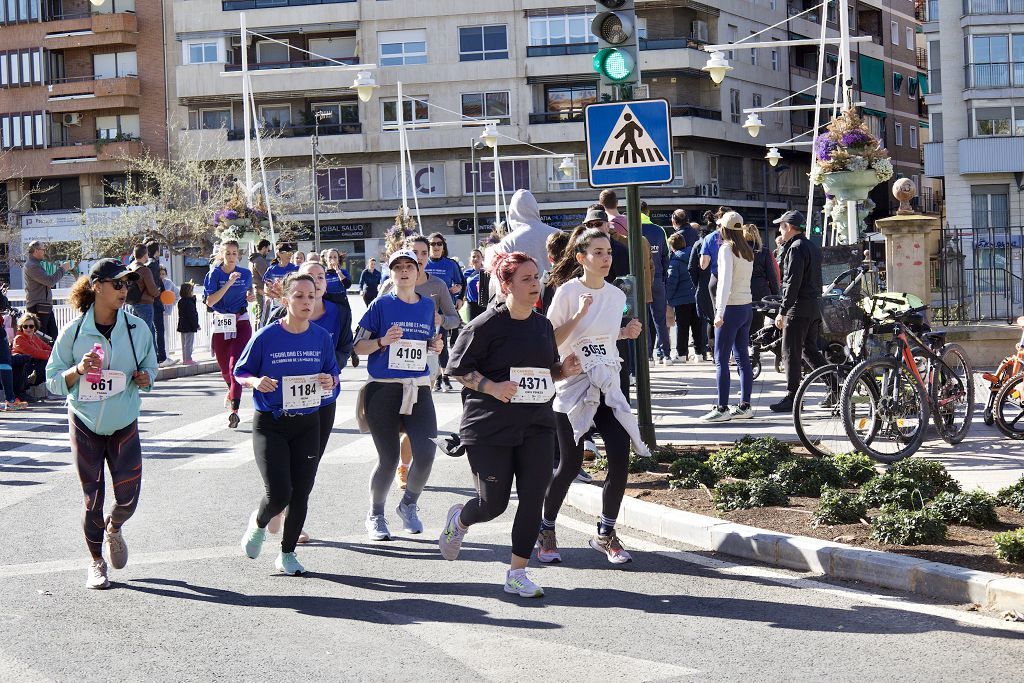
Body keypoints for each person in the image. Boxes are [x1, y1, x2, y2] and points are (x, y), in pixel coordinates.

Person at [439, 251, 582, 598]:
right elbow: (457, 371)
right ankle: (459, 520)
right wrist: (492, 387)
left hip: (536, 424)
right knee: (494, 504)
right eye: (527, 279)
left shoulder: (542, 326)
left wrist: (564, 371)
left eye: (537, 278)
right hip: (489, 428)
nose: (536, 285)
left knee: (534, 498)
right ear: (506, 285)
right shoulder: (484, 325)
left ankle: (517, 573)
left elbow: (545, 370)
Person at [45, 259, 158, 589]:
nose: (125, 290)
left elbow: (152, 368)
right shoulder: (74, 332)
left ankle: (115, 527)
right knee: (92, 498)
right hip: (85, 422)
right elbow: (53, 381)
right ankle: (96, 562)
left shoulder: (137, 329)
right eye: (118, 284)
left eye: (128, 284)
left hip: (124, 422)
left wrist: (145, 377)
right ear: (98, 286)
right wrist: (79, 370)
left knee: (128, 499)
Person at [539, 228, 648, 565]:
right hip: (572, 387)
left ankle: (605, 533)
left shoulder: (616, 295)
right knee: (569, 464)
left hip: (606, 383)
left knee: (619, 457)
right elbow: (550, 341)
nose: (605, 259)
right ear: (580, 257)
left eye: (609, 253)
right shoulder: (568, 292)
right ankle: (546, 529)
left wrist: (623, 332)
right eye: (598, 252)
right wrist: (578, 315)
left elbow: (599, 337)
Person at [236, 273, 340, 576]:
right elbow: (240, 372)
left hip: (308, 422)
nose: (306, 301)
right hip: (272, 423)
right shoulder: (267, 336)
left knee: (302, 492)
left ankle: (287, 553)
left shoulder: (321, 337)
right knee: (280, 492)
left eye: (311, 296)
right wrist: (257, 381)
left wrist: (328, 380)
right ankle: (258, 522)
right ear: (285, 300)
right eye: (298, 296)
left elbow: (333, 378)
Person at [353, 249, 444, 541]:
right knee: (389, 459)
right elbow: (358, 347)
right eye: (398, 267)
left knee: (428, 453)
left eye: (409, 266)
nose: (404, 271)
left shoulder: (427, 307)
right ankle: (375, 514)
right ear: (391, 273)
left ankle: (408, 505)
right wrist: (382, 341)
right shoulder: (381, 305)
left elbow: (426, 343)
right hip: (383, 388)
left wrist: (435, 347)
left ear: (418, 273)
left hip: (418, 387)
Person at [770, 210, 825, 413]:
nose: (779, 230)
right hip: (813, 307)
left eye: (781, 226)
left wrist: (783, 311)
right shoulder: (810, 246)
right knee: (809, 349)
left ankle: (793, 396)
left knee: (790, 351)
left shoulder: (795, 248)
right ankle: (837, 386)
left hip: (798, 308)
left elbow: (792, 282)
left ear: (790, 227)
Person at [702, 212, 755, 422]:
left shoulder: (726, 249)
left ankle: (722, 407)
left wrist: (719, 312)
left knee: (721, 359)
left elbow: (724, 283)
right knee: (742, 357)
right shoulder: (747, 250)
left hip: (731, 308)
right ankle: (745, 405)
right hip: (746, 306)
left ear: (723, 229)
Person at [203, 240, 256, 428]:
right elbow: (210, 301)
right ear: (222, 255)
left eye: (234, 254)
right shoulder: (214, 274)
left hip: (240, 320)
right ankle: (231, 390)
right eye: (228, 254)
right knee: (225, 369)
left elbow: (249, 291)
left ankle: (235, 411)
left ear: (238, 255)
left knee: (235, 366)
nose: (231, 257)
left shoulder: (246, 273)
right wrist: (229, 282)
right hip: (221, 321)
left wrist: (251, 295)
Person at [485, 189, 560, 281]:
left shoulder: (509, 242)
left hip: (522, 293)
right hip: (560, 291)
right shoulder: (558, 234)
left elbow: (498, 276)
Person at [424, 233, 466, 393]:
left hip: (443, 312)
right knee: (427, 344)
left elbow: (462, 282)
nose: (435, 247)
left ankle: (444, 377)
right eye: (433, 243)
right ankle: (433, 377)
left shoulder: (451, 264)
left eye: (439, 244)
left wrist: (460, 297)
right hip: (425, 309)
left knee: (441, 343)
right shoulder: (423, 263)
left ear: (443, 246)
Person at [640, 201, 672, 365]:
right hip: (658, 278)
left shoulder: (630, 229)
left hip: (640, 280)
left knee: (642, 320)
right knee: (660, 319)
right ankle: (665, 354)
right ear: (648, 212)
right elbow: (666, 256)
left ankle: (648, 356)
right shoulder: (659, 230)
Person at [23, 241, 72, 341]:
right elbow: (50, 281)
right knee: (43, 339)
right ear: (36, 251)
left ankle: (50, 356)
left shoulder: (34, 264)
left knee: (52, 337)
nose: (44, 252)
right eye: (43, 250)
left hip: (43, 307)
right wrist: (62, 269)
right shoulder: (33, 266)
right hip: (39, 307)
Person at [666, 232, 704, 362]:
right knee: (697, 326)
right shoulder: (695, 255)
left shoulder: (675, 261)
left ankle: (682, 354)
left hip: (681, 300)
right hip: (696, 297)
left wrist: (668, 299)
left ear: (672, 247)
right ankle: (699, 353)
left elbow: (672, 282)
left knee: (682, 327)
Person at [745, 223, 780, 338]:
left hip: (743, 289)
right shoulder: (764, 251)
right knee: (758, 323)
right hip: (760, 290)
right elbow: (772, 275)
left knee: (743, 321)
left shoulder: (738, 251)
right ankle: (755, 350)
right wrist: (776, 295)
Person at [688, 224, 715, 362]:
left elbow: (691, 268)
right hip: (718, 283)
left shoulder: (698, 244)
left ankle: (710, 351)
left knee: (708, 320)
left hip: (703, 285)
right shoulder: (720, 242)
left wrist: (697, 284)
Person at [11, 312, 51, 402]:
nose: (28, 329)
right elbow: (35, 353)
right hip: (22, 370)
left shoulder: (34, 337)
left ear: (35, 327)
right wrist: (51, 354)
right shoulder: (19, 339)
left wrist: (50, 353)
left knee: (47, 361)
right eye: (25, 326)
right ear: (21, 327)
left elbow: (48, 348)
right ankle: (27, 385)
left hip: (31, 367)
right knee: (45, 361)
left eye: (31, 326)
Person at [127, 244, 160, 342]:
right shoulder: (145, 270)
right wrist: (157, 292)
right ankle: (151, 357)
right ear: (145, 255)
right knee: (147, 334)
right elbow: (152, 290)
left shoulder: (129, 268)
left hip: (131, 304)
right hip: (145, 304)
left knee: (136, 334)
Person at [260, 242, 298, 326]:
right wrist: (267, 297)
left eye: (291, 252)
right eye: (286, 252)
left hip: (291, 302)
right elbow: (267, 285)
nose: (289, 255)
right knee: (275, 325)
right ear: (278, 254)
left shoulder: (296, 268)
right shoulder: (272, 269)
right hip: (276, 303)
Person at [146, 241, 169, 366]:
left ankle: (155, 357)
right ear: (156, 251)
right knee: (159, 329)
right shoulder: (153, 264)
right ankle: (162, 357)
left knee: (151, 330)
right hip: (155, 300)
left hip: (146, 300)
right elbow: (156, 283)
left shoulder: (144, 263)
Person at [250, 239, 272, 328]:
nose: (268, 252)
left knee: (260, 316)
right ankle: (259, 336)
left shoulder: (254, 259)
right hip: (262, 290)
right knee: (262, 317)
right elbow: (266, 276)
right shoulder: (259, 260)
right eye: (268, 249)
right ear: (263, 248)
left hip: (258, 289)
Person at [176, 281, 200, 365]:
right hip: (189, 326)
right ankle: (188, 359)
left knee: (184, 344)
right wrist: (196, 325)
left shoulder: (181, 301)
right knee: (189, 344)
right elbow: (192, 315)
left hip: (182, 325)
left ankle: (185, 359)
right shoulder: (190, 302)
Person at [463, 249, 485, 321]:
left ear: (482, 259)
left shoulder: (486, 271)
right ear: (470, 259)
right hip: (471, 304)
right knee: (471, 328)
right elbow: (463, 287)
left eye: (478, 256)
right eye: (473, 256)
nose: (476, 258)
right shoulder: (466, 273)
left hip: (484, 304)